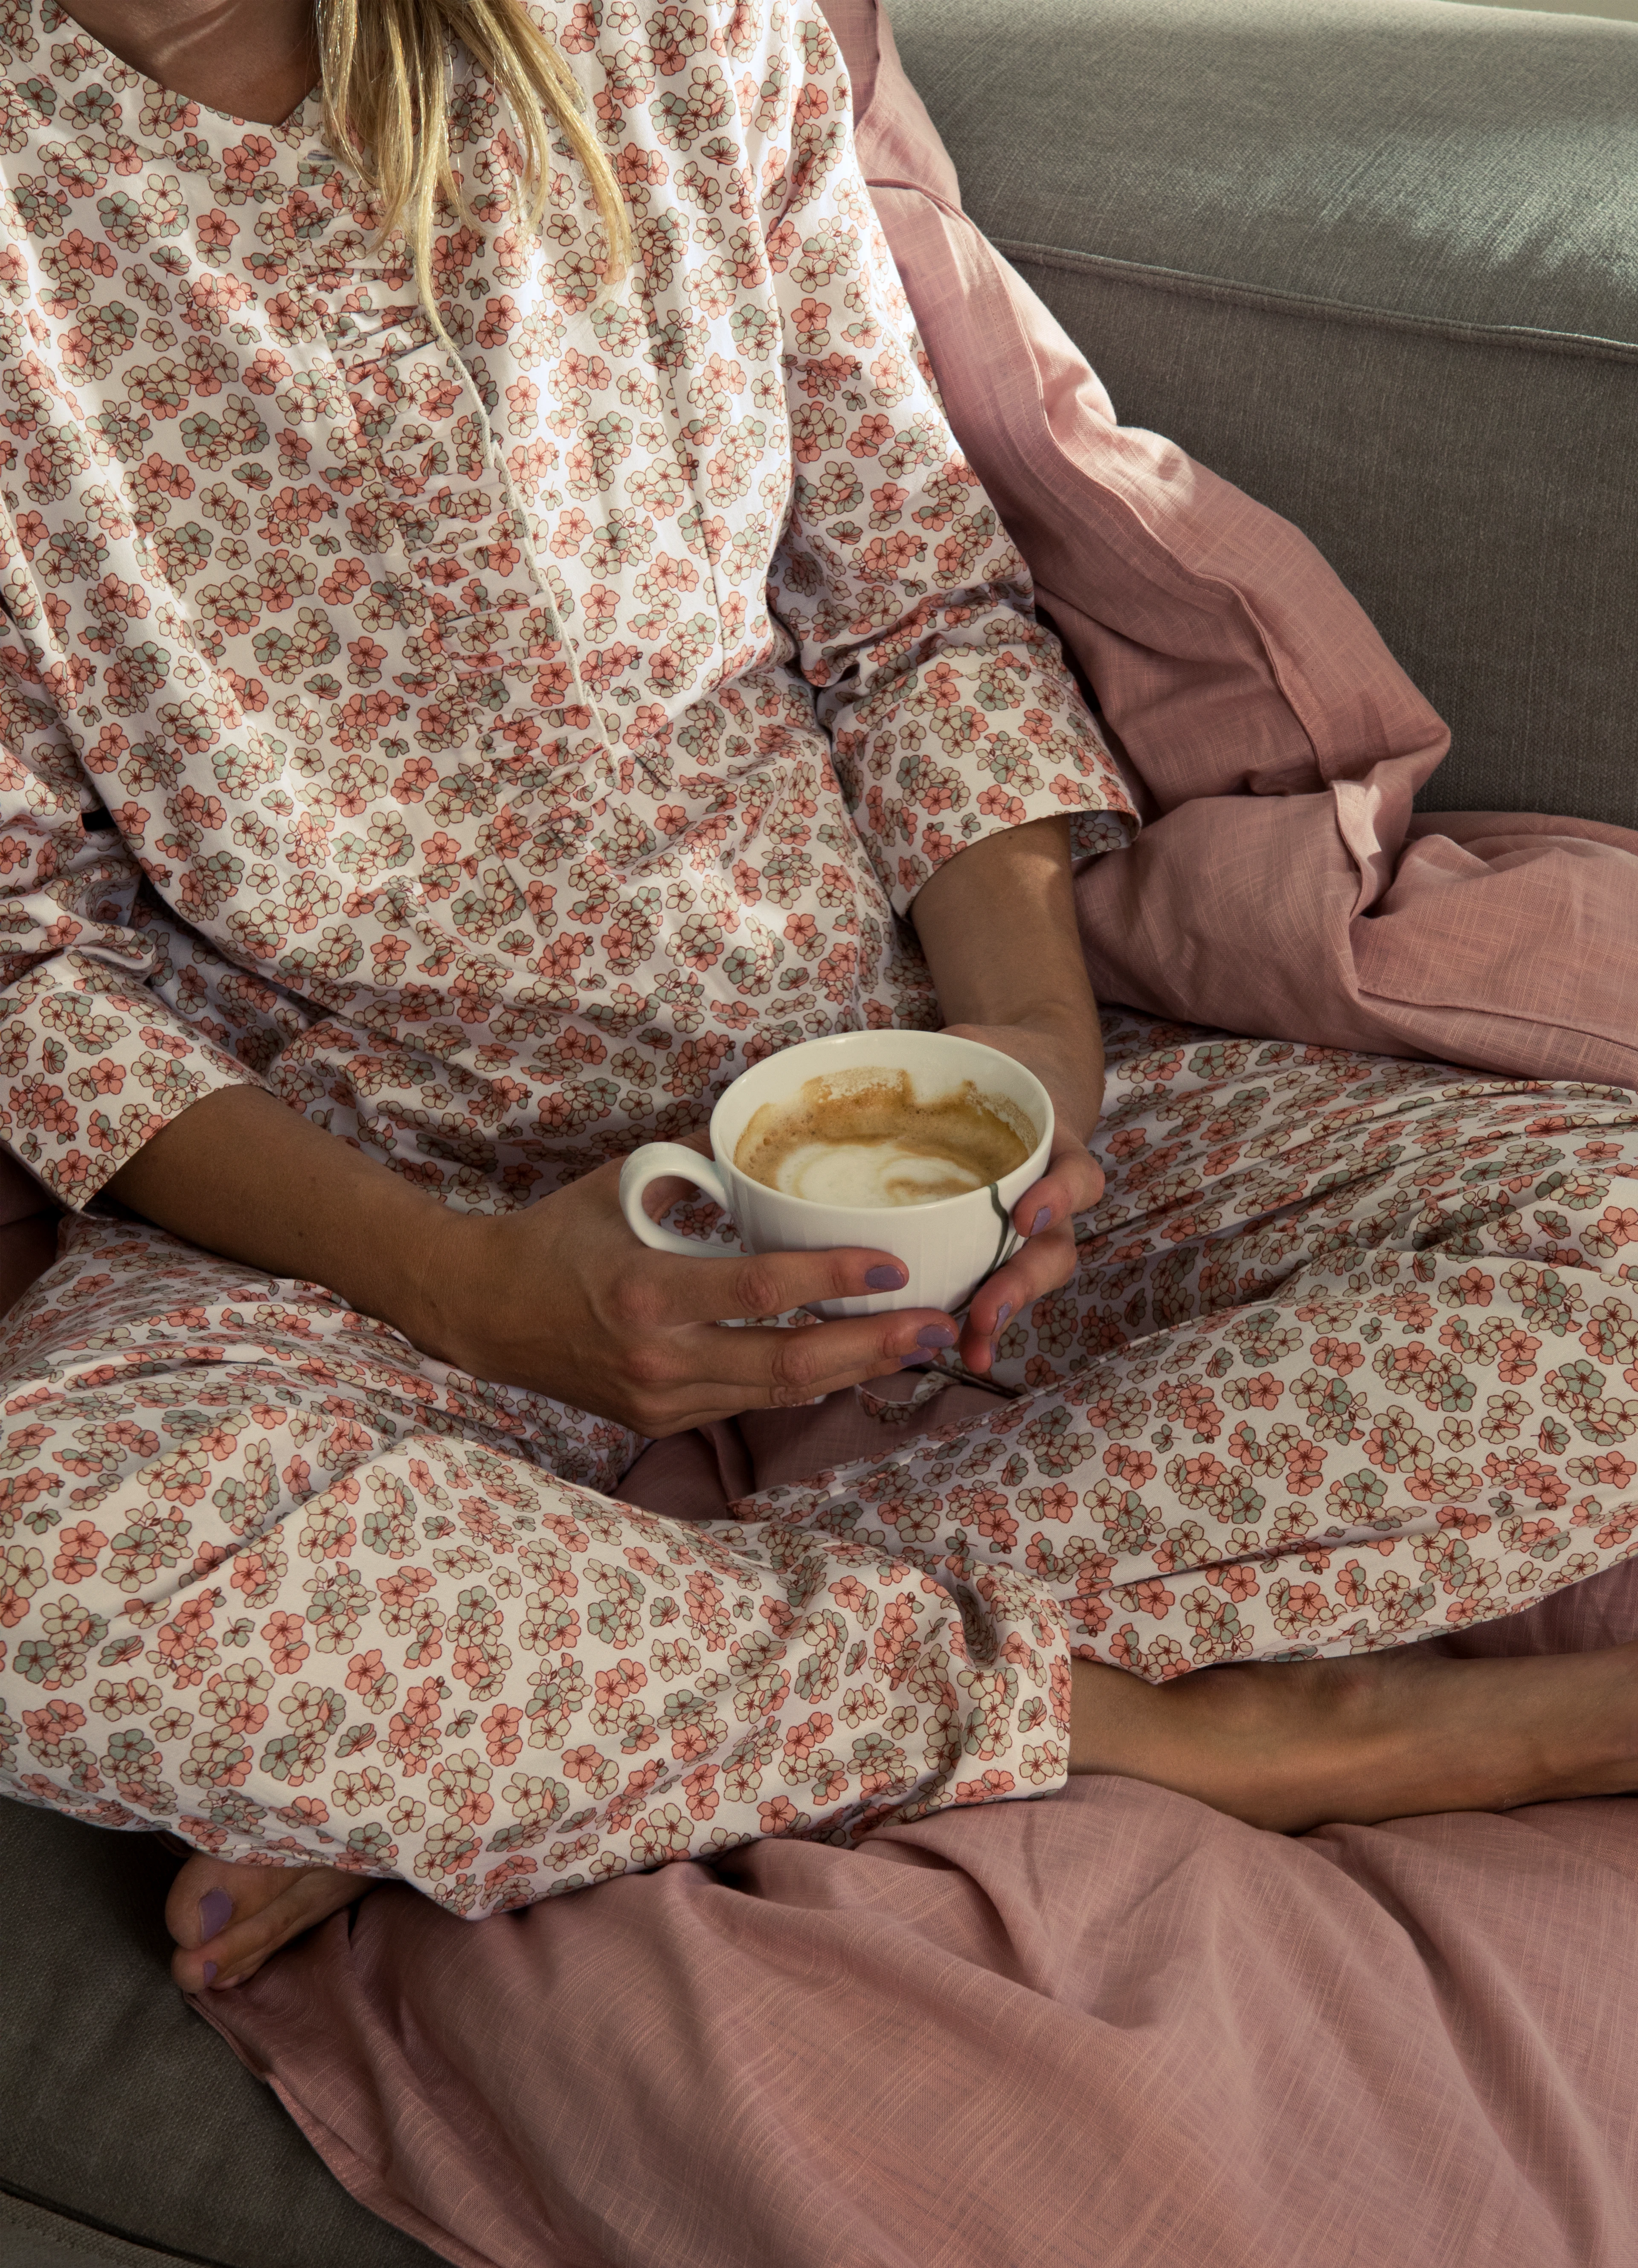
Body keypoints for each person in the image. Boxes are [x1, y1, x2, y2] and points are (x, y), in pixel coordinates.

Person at [3, 0, 1635, 1996]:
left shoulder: (671, 28)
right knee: (40, 1558)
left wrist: (1029, 1054)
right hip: (371, 1204)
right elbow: (30, 954)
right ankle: (1194, 1734)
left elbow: (913, 608)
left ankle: (584, 1712)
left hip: (886, 1072)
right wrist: (459, 1286)